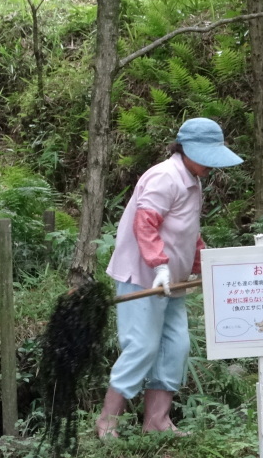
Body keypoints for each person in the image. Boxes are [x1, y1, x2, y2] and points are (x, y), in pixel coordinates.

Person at [96, 118, 244, 437]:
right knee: (142, 347)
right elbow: (145, 224)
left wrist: (208, 263)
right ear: (187, 150)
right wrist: (159, 265)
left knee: (175, 347)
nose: (211, 165)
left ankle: (157, 422)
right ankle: (107, 421)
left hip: (172, 282)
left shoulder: (192, 180)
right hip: (144, 277)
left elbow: (188, 232)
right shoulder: (165, 177)